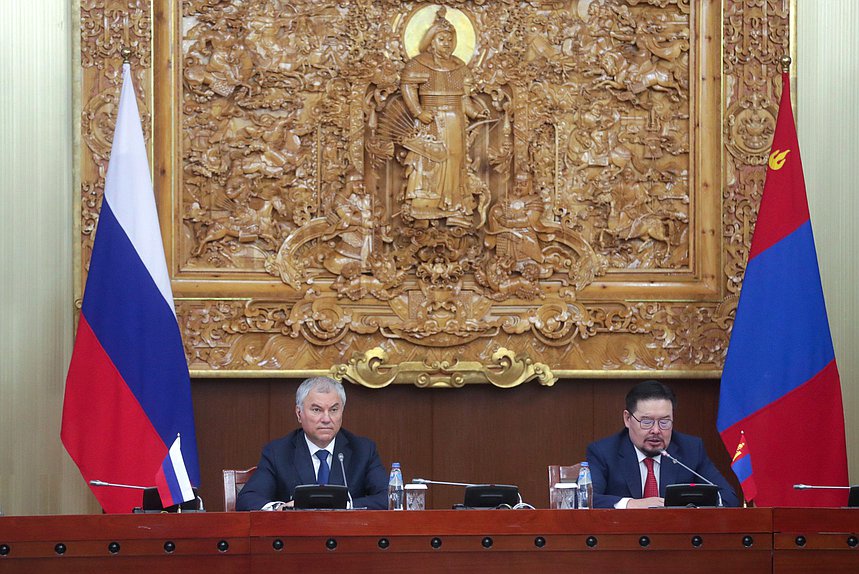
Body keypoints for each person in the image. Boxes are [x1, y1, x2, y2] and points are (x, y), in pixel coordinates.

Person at [236, 376, 388, 510]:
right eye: (317, 410)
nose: (327, 419)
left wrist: (347, 506)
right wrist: (281, 508)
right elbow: (247, 499)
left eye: (334, 410)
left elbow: (389, 498)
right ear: (299, 413)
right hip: (297, 537)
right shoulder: (278, 452)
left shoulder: (362, 450)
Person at [586, 380, 738, 508]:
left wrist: (689, 507)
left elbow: (729, 498)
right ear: (627, 419)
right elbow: (588, 500)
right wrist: (631, 504)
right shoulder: (604, 452)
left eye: (664, 422)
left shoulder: (690, 449)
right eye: (646, 422)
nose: (656, 430)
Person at [400, 7, 488, 227]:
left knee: (454, 161)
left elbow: (464, 100)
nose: (446, 43)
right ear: (431, 41)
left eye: (450, 39)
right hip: (432, 121)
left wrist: (476, 113)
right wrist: (419, 112)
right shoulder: (418, 64)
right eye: (441, 39)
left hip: (455, 120)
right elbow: (408, 87)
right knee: (430, 162)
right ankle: (423, 211)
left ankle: (453, 207)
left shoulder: (459, 67)